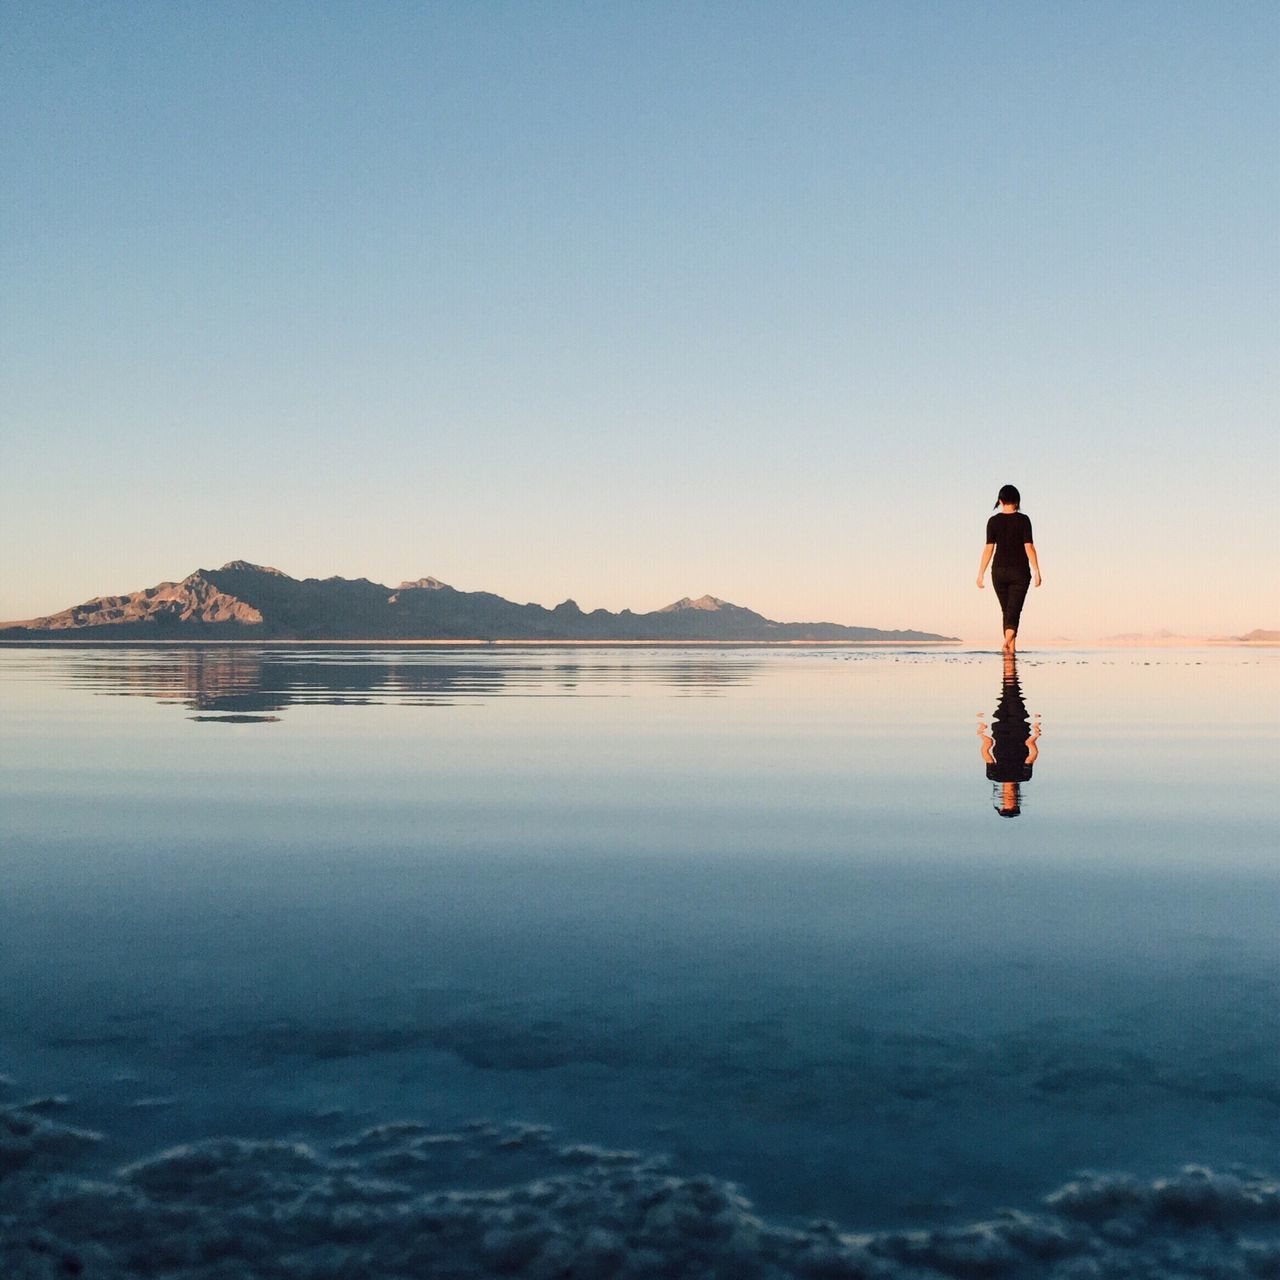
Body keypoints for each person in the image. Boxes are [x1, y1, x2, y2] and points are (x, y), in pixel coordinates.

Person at [975, 483, 1041, 653]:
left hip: (998, 572)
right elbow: (1029, 547)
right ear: (1017, 501)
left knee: (1007, 611)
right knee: (1014, 611)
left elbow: (988, 549)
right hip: (1019, 572)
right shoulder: (1024, 520)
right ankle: (1006, 643)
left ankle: (1010, 652)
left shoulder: (993, 521)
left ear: (1000, 500)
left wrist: (980, 573)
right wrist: (1037, 570)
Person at [976, 652, 1040, 817]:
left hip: (1000, 731)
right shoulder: (1024, 776)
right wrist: (1035, 733)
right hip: (1020, 731)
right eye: (1011, 803)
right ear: (1017, 800)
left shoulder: (993, 776)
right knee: (1014, 697)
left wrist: (982, 734)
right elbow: (1032, 754)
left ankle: (1009, 662)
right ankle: (1010, 662)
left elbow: (986, 754)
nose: (1008, 799)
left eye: (1006, 803)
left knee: (1006, 695)